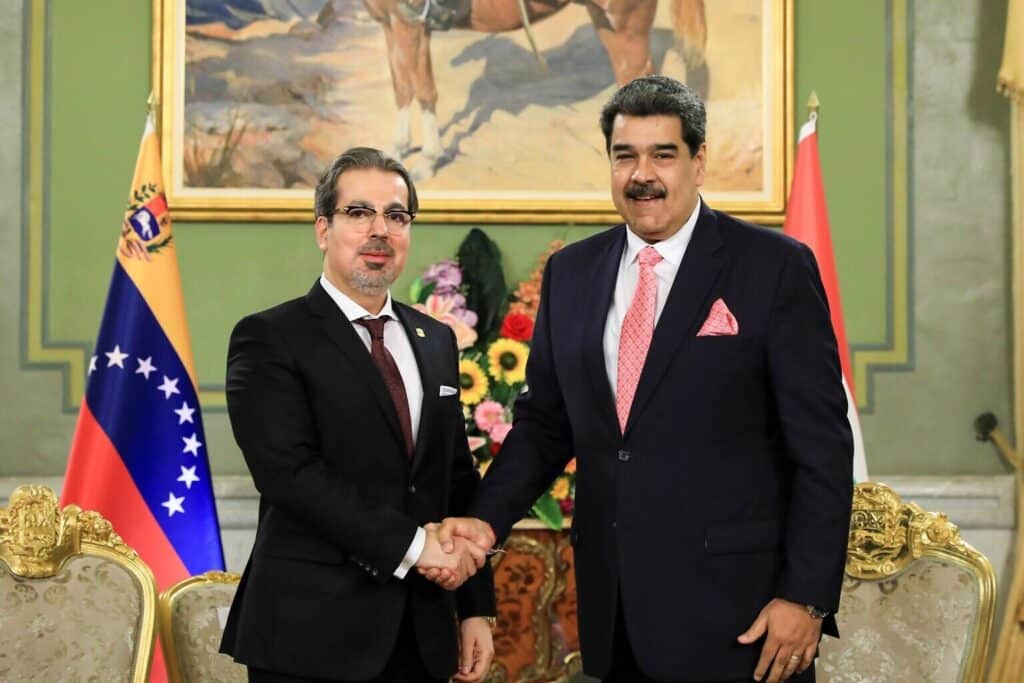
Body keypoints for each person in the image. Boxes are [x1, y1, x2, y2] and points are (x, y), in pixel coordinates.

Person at [429, 76, 854, 683]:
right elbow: (547, 425)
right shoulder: (573, 273)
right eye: (625, 156)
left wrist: (806, 597)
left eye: (663, 154)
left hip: (745, 620)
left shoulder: (774, 267)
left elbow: (823, 449)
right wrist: (484, 520)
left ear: (698, 162)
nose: (641, 174)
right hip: (615, 614)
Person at [220, 147, 496, 683]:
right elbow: (290, 477)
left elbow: (454, 479)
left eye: (396, 216)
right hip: (310, 638)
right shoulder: (270, 337)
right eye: (358, 213)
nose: (380, 231)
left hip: (424, 636)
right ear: (323, 229)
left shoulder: (435, 339)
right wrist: (417, 550)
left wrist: (474, 608)